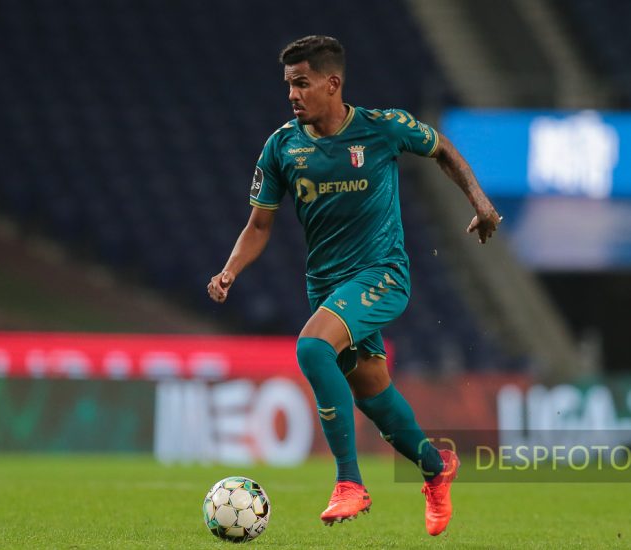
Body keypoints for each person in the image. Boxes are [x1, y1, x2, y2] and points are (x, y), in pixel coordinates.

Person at [207, 35, 501, 536]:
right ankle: (436, 469)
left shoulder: (382, 128)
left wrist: (480, 202)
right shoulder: (282, 146)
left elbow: (441, 149)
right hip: (326, 285)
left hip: (382, 274)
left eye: (302, 83)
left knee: (311, 347)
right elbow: (258, 224)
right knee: (372, 394)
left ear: (332, 83)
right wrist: (230, 270)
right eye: (289, 85)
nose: (292, 94)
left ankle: (349, 482)